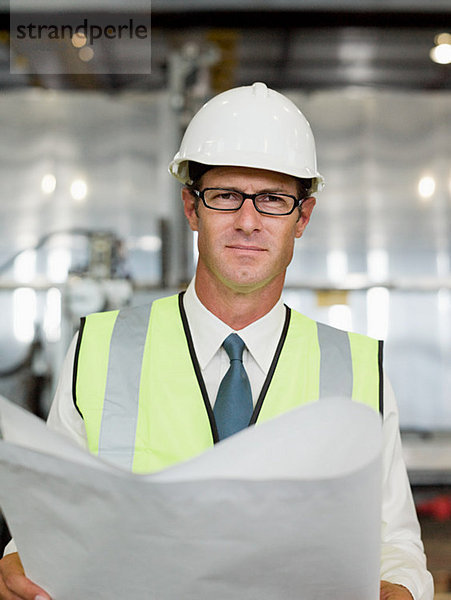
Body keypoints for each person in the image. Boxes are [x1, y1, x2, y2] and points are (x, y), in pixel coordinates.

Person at [0, 82, 433, 600]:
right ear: (191, 208)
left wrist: (400, 591)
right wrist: (17, 561)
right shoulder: (100, 348)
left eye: (272, 199)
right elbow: (51, 524)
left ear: (303, 217)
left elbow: (396, 544)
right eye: (226, 196)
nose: (247, 222)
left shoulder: (359, 367)